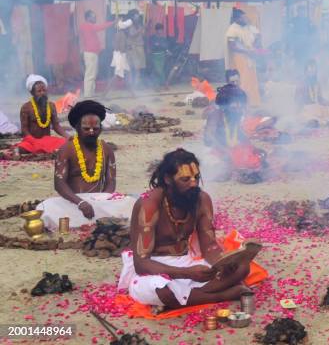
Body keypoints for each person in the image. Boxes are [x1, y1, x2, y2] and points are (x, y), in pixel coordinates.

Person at [118, 149, 262, 308]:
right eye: (185, 179)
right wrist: (187, 273)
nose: (193, 183)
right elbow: (141, 264)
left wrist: (223, 264)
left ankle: (193, 296)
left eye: (196, 177)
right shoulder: (149, 204)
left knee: (242, 268)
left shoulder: (201, 199)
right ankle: (222, 295)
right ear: (168, 179)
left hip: (186, 263)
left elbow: (209, 247)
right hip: (153, 269)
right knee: (163, 291)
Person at [38, 100, 136, 229]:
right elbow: (59, 184)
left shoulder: (106, 149)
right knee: (46, 207)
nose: (91, 132)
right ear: (77, 128)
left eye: (95, 128)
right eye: (86, 129)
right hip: (73, 202)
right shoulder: (66, 149)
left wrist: (104, 200)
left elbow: (111, 181)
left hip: (100, 201)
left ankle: (94, 219)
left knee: (131, 203)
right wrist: (81, 203)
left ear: (100, 128)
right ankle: (97, 220)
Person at [203, 84, 266, 180]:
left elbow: (240, 135)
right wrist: (225, 151)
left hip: (233, 151)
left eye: (240, 103)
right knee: (214, 165)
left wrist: (253, 148)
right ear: (224, 103)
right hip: (217, 151)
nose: (239, 106)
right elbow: (208, 138)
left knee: (256, 159)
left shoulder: (236, 115)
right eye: (235, 103)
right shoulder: (215, 115)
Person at [16, 74, 68, 155]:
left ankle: (44, 149)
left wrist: (68, 137)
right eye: (39, 91)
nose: (42, 93)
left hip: (47, 140)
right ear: (32, 93)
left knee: (65, 143)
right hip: (32, 141)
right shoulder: (26, 107)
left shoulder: (51, 105)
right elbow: (24, 130)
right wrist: (34, 141)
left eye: (44, 90)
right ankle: (43, 149)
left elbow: (56, 126)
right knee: (23, 148)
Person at [225, 8, 261, 107]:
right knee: (242, 80)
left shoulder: (249, 27)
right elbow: (233, 46)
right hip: (239, 58)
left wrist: (255, 46)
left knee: (252, 80)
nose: (246, 19)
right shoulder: (232, 29)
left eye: (245, 17)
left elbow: (258, 36)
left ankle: (253, 102)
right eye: (243, 17)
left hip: (250, 56)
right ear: (237, 19)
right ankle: (242, 103)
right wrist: (247, 51)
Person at [294, 59, 329, 127]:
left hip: (318, 108)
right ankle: (313, 122)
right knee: (309, 118)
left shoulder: (317, 84)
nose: (312, 73)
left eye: (314, 71)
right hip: (307, 110)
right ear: (305, 72)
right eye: (310, 71)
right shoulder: (301, 84)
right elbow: (297, 101)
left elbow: (321, 100)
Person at [80, 10, 116, 97]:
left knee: (93, 74)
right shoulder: (86, 26)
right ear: (88, 18)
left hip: (93, 53)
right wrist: (113, 22)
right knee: (90, 75)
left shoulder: (88, 26)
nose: (94, 17)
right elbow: (100, 27)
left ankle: (90, 94)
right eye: (93, 16)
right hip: (90, 53)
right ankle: (88, 95)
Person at [104, 15, 135, 98]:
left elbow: (119, 46)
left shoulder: (119, 33)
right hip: (120, 56)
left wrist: (127, 47)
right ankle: (104, 94)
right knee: (117, 76)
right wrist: (127, 48)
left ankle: (132, 94)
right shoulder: (121, 34)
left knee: (127, 74)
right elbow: (121, 49)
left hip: (120, 56)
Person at [126, 11, 146, 88]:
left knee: (138, 67)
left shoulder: (140, 25)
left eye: (137, 16)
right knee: (131, 67)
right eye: (135, 16)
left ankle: (137, 84)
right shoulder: (129, 25)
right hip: (132, 48)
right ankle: (130, 84)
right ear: (132, 17)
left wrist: (144, 28)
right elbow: (132, 35)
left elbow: (142, 35)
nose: (137, 17)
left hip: (139, 47)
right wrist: (140, 29)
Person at [149, 23, 170, 88]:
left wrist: (160, 46)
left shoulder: (163, 38)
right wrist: (160, 46)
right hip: (155, 56)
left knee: (160, 70)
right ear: (156, 30)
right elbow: (152, 46)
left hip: (162, 56)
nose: (160, 31)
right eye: (159, 30)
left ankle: (157, 85)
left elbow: (165, 47)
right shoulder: (152, 37)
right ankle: (164, 84)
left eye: (161, 30)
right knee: (158, 70)